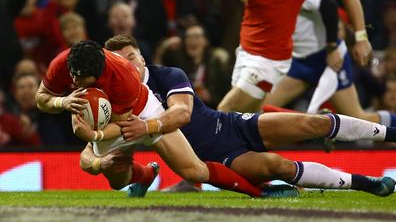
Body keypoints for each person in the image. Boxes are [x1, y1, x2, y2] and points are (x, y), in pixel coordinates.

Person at [95, 35, 396, 196]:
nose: (131, 64)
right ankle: (365, 185)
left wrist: (146, 125)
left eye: (133, 56)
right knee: (277, 166)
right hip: (217, 159)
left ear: (142, 56)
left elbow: (182, 114)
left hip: (229, 124)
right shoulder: (118, 101)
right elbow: (105, 139)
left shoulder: (167, 74)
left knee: (312, 122)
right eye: (121, 61)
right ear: (115, 68)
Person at [35, 40, 298, 199]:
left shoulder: (122, 76)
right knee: (112, 176)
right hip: (112, 116)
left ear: (100, 72)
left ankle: (259, 191)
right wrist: (62, 101)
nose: (76, 83)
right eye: (74, 77)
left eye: (83, 80)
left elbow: (126, 124)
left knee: (193, 170)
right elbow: (41, 99)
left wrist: (95, 136)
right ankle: (145, 175)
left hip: (143, 109)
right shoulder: (63, 64)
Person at [217, 0, 372, 113]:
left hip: (270, 63)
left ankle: (392, 128)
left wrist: (361, 38)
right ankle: (318, 122)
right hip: (253, 54)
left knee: (226, 111)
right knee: (246, 119)